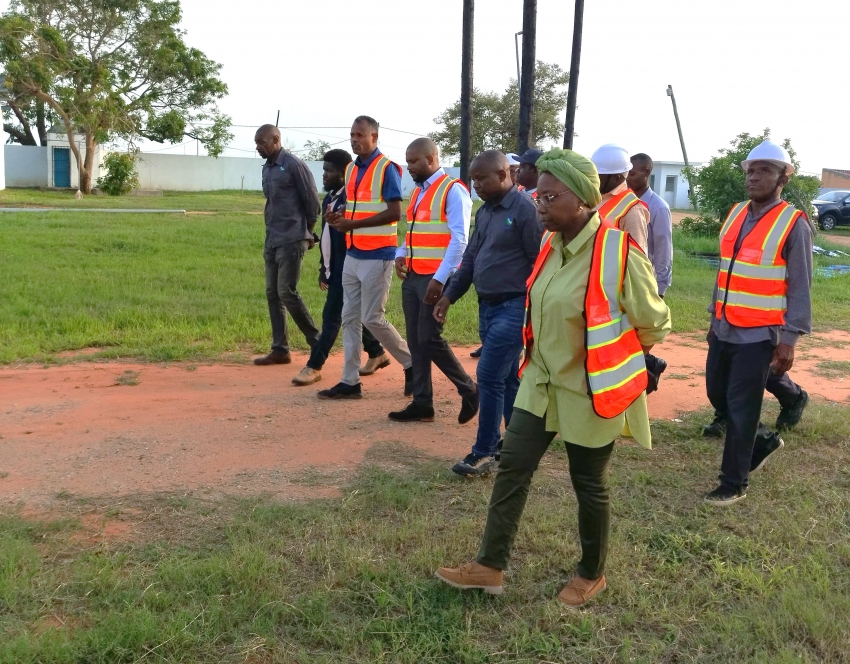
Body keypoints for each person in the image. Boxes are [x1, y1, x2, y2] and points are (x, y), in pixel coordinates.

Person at [435, 148, 671, 606]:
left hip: (591, 390)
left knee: (589, 484)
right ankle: (489, 566)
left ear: (582, 199)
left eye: (548, 197)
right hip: (540, 384)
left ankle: (591, 572)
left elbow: (654, 322)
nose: (538, 205)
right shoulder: (548, 245)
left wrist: (623, 358)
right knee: (512, 470)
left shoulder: (618, 252)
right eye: (537, 196)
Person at [703, 140, 813, 506]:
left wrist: (790, 339)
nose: (753, 176)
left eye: (764, 169)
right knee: (717, 392)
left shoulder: (793, 224)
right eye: (750, 170)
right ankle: (763, 441)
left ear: (784, 176)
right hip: (724, 324)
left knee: (742, 406)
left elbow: (800, 286)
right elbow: (725, 270)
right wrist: (713, 315)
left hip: (761, 332)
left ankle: (733, 482)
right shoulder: (735, 212)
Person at [434, 150, 542, 476]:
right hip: (488, 307)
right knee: (508, 379)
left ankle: (485, 450)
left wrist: (535, 310)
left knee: (490, 377)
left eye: (482, 178)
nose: (476, 184)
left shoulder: (525, 210)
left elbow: (540, 262)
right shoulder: (485, 212)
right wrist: (449, 295)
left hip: (515, 306)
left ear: (504, 175)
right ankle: (518, 445)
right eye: (474, 178)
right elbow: (469, 260)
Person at [318, 116, 413, 399]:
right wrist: (339, 218)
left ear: (374, 137)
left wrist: (352, 225)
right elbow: (356, 208)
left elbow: (396, 212)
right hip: (353, 253)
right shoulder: (351, 170)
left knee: (372, 318)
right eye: (351, 134)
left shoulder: (387, 169)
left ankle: (412, 364)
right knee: (349, 318)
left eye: (360, 134)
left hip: (378, 255)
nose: (354, 139)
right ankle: (350, 381)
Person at [389, 138, 479, 423]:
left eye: (414, 161)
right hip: (414, 275)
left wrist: (440, 279)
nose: (409, 166)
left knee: (429, 338)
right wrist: (401, 253)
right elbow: (414, 231)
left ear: (431, 159)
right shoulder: (418, 193)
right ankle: (422, 402)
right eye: (407, 160)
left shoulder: (453, 191)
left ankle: (470, 389)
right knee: (416, 341)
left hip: (435, 278)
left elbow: (460, 239)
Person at [291, 149, 390, 386]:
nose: (324, 174)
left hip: (351, 267)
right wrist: (324, 269)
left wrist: (337, 269)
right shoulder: (330, 198)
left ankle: (314, 366)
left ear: (345, 172)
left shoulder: (350, 200)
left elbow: (348, 238)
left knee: (332, 317)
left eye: (329, 170)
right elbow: (328, 239)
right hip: (336, 268)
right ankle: (377, 352)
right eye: (324, 169)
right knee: (352, 315)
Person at [253, 124, 321, 366]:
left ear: (276, 139)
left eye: (261, 142)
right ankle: (280, 350)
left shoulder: (294, 165)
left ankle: (317, 343)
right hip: (272, 238)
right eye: (256, 143)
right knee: (273, 293)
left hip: (293, 238)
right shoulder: (268, 168)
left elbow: (313, 203)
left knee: (286, 292)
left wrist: (308, 234)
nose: (258, 147)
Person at [626, 153, 672, 297]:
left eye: (632, 173)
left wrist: (660, 289)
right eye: (626, 173)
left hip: (645, 283)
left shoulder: (658, 207)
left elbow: (663, 249)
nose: (627, 178)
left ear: (646, 172)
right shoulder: (623, 203)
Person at [591, 144, 649, 253]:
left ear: (615, 178)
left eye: (598, 176)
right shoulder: (593, 198)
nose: (593, 179)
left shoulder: (633, 210)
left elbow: (638, 259)